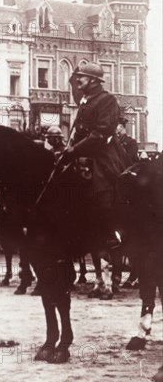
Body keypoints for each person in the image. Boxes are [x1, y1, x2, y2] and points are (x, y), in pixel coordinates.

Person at [60, 62, 130, 249]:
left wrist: (75, 150)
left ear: (92, 80)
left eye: (81, 77)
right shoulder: (87, 100)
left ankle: (113, 232)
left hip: (104, 152)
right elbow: (79, 131)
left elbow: (101, 133)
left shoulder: (107, 100)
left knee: (103, 180)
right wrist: (70, 149)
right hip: (83, 151)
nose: (77, 80)